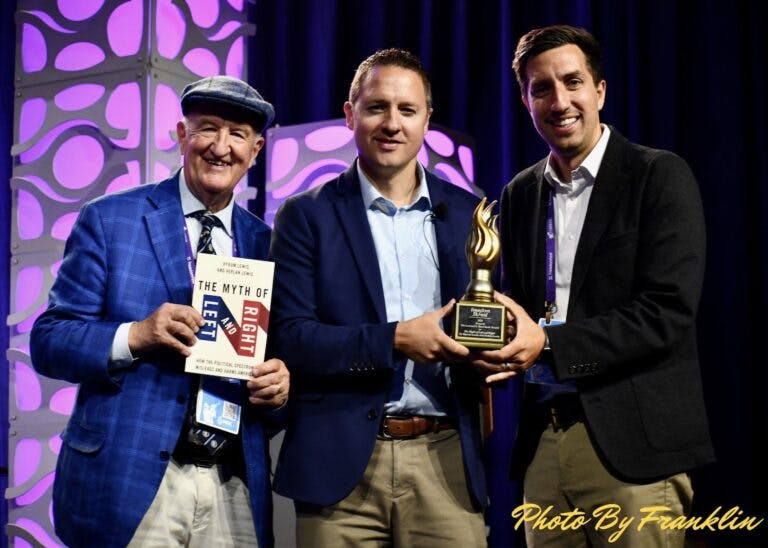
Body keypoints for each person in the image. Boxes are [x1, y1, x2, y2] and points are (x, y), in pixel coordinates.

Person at [475, 25, 716, 547]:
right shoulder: (518, 193)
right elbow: (518, 306)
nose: (559, 101)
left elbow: (667, 313)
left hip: (633, 450)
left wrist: (550, 344)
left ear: (600, 90)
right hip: (543, 444)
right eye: (542, 88)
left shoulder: (658, 176)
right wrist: (481, 333)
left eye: (573, 82)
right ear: (525, 99)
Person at [30, 75, 289, 548]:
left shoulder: (267, 245)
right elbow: (49, 340)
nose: (221, 147)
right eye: (208, 128)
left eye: (238, 135)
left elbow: (279, 363)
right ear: (181, 135)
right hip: (129, 482)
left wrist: (279, 388)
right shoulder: (111, 219)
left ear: (255, 152)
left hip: (232, 484)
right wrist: (136, 335)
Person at [269, 48, 487, 546]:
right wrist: (396, 340)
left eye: (407, 110)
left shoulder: (471, 215)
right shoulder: (306, 216)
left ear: (428, 120)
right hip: (340, 472)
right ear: (350, 114)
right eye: (376, 108)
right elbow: (291, 338)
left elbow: (486, 322)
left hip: (446, 460)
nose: (392, 123)